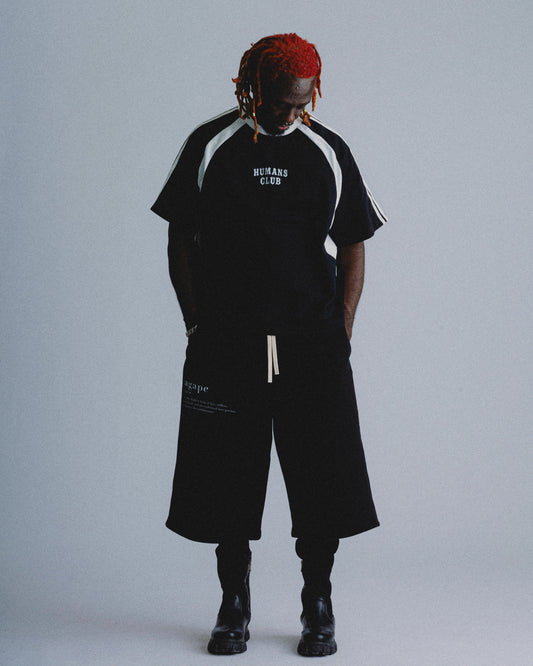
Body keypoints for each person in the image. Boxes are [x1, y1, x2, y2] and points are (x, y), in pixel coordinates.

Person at [151, 33, 386, 657]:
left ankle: (317, 601)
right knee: (226, 474)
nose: (290, 113)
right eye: (280, 101)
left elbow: (354, 243)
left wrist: (341, 329)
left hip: (312, 342)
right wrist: (196, 325)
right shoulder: (211, 146)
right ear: (251, 86)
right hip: (228, 342)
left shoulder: (327, 151)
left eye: (302, 102)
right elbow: (178, 243)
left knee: (322, 475)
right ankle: (234, 601)